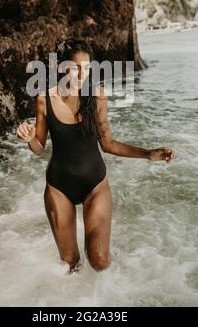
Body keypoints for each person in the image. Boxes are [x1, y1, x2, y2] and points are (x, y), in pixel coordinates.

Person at [16, 38, 174, 274]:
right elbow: (39, 147)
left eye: (87, 68)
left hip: (95, 185)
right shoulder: (44, 98)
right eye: (75, 67)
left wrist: (147, 154)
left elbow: (108, 144)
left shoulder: (97, 96)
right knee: (70, 264)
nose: (82, 74)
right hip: (59, 187)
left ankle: (114, 287)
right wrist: (29, 139)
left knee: (98, 259)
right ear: (61, 67)